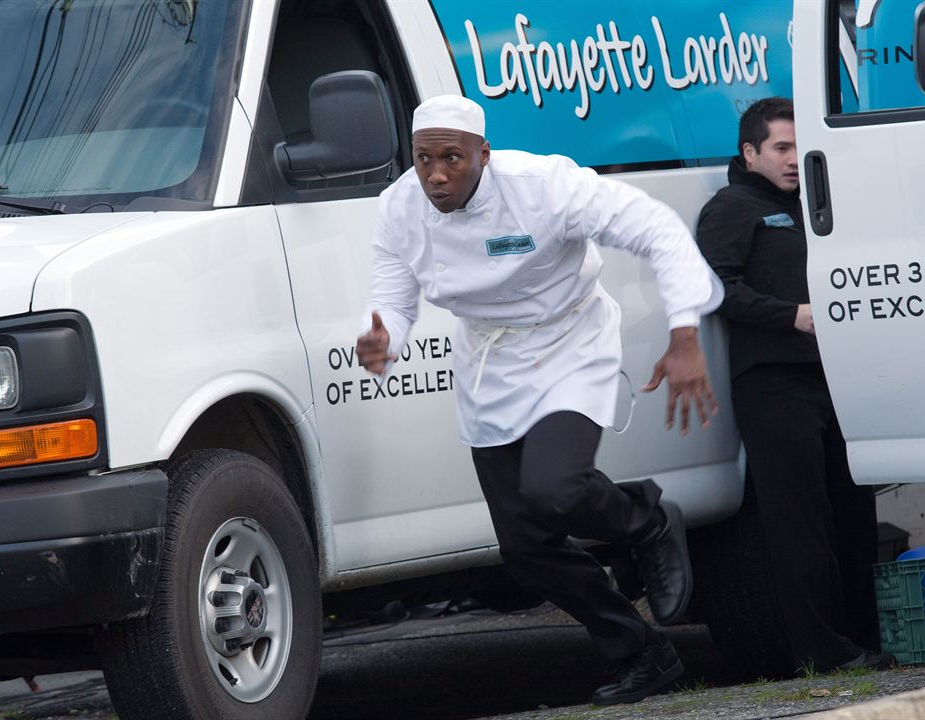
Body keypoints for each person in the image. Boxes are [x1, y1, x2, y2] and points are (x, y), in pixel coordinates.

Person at [356, 95, 723, 705]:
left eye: (453, 158)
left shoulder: (543, 185)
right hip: (489, 361)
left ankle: (646, 519)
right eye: (424, 160)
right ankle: (643, 651)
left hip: (568, 342)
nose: (437, 175)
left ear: (484, 154)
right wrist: (383, 339)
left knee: (557, 489)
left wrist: (683, 332)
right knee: (526, 549)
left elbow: (656, 228)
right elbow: (394, 300)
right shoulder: (398, 210)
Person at [696, 97, 886, 674]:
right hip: (773, 384)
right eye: (781, 148)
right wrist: (788, 316)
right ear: (750, 152)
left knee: (851, 514)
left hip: (830, 379)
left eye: (799, 147)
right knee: (798, 523)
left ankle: (863, 639)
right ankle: (819, 650)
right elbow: (713, 289)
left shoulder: (812, 206)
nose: (792, 159)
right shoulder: (731, 208)